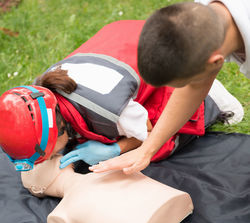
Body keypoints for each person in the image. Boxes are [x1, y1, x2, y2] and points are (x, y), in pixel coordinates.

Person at [0, 20, 243, 172]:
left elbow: (148, 136)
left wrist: (116, 149)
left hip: (164, 50)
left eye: (49, 153)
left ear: (59, 130)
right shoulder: (42, 89)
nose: (52, 157)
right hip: (120, 38)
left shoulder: (111, 111)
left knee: (159, 146)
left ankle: (213, 96)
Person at [89, 1, 248, 174]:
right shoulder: (198, 19)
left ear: (215, 62)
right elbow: (194, 88)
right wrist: (146, 150)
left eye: (185, 82)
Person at [20, 153, 193, 223]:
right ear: (35, 189)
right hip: (172, 206)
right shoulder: (60, 215)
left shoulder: (61, 215)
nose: (48, 157)